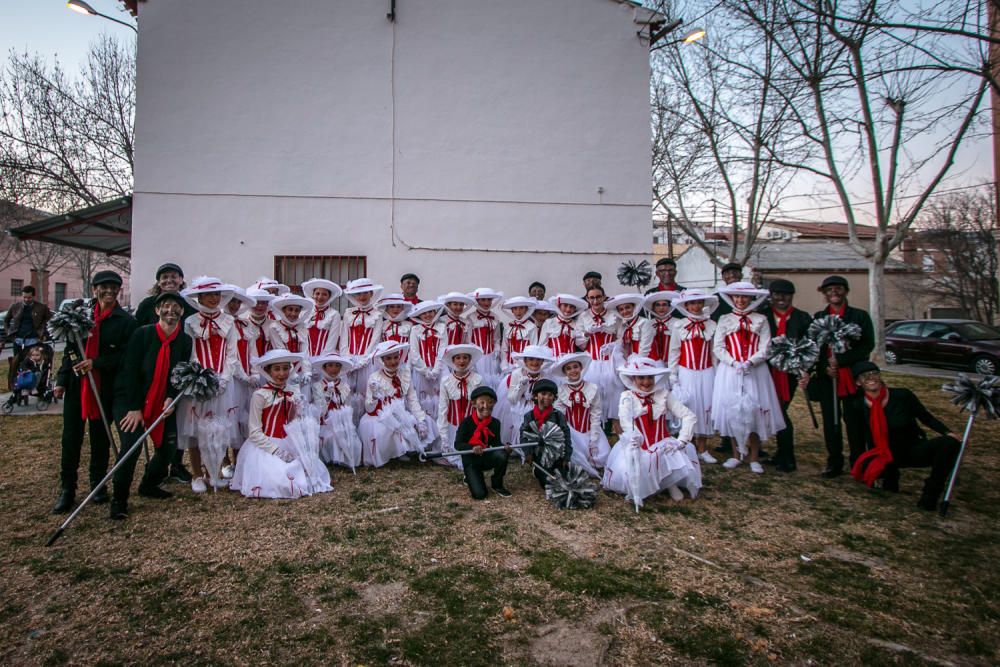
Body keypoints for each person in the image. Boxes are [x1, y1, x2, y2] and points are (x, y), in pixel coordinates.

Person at [52, 271, 137, 513]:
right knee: (71, 439)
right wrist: (61, 379)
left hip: (104, 388)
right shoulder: (80, 317)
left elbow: (124, 356)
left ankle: (97, 484)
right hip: (78, 388)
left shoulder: (125, 322)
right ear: (94, 289)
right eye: (104, 287)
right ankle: (68, 488)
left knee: (100, 438)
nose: (109, 292)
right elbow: (69, 351)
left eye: (114, 288)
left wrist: (96, 363)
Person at [108, 292, 193, 519]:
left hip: (162, 400)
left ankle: (149, 483)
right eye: (165, 306)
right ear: (157, 310)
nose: (171, 311)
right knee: (131, 446)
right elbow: (129, 371)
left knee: (169, 447)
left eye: (176, 307)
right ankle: (119, 499)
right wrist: (135, 407)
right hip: (130, 400)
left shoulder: (185, 341)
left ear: (182, 312)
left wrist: (170, 397)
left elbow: (180, 374)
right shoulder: (142, 334)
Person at [847, 361, 961, 511]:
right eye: (864, 376)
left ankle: (931, 494)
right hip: (882, 454)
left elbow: (925, 417)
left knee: (949, 444)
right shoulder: (856, 406)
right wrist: (860, 466)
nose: (871, 378)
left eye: (874, 373)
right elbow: (856, 439)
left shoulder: (902, 395)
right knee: (881, 477)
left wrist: (947, 432)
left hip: (911, 448)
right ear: (858, 382)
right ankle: (889, 476)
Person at [230, 349, 333, 498]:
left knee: (311, 474)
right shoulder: (260, 395)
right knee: (282, 482)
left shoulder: (292, 393)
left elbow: (292, 424)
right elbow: (254, 432)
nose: (282, 373)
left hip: (288, 441)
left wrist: (298, 411)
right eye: (277, 369)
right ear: (268, 371)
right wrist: (277, 451)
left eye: (285, 368)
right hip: (265, 446)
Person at [602, 356, 701, 506]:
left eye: (650, 377)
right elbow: (625, 420)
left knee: (667, 454)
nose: (646, 382)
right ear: (633, 378)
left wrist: (682, 440)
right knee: (635, 465)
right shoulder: (627, 397)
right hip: (639, 444)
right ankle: (647, 486)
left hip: (663, 443)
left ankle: (669, 483)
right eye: (641, 378)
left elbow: (689, 416)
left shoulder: (664, 395)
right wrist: (632, 437)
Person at [711, 282, 785, 474]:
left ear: (752, 299)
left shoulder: (760, 319)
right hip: (730, 370)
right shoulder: (725, 319)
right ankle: (736, 454)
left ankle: (754, 456)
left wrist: (751, 362)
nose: (740, 300)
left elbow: (766, 347)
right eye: (736, 297)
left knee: (753, 410)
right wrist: (734, 362)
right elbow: (718, 347)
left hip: (755, 371)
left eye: (744, 297)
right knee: (733, 410)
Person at [806, 275, 875, 478]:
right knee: (831, 422)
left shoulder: (859, 316)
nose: (834, 293)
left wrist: (842, 361)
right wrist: (824, 366)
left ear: (845, 291)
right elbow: (813, 347)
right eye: (829, 290)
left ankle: (858, 461)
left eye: (838, 289)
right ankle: (834, 461)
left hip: (852, 377)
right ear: (824, 294)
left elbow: (867, 345)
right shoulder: (819, 316)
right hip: (829, 378)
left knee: (855, 423)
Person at [177, 277, 240, 493]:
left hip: (223, 383)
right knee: (195, 429)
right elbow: (190, 352)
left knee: (220, 428)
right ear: (200, 297)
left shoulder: (228, 322)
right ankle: (197, 474)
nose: (214, 299)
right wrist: (200, 377)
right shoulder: (190, 322)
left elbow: (232, 353)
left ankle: (215, 471)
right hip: (198, 383)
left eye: (217, 295)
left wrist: (224, 378)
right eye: (209, 295)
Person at [761, 279, 813, 472]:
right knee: (770, 411)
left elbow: (810, 346)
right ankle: (778, 453)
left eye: (786, 294)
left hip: (788, 373)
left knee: (780, 411)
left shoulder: (802, 318)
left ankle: (787, 457)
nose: (781, 298)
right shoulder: (764, 316)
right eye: (777, 294)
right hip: (765, 370)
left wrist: (805, 368)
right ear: (771, 296)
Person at [359, 341, 434, 466]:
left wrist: (420, 420)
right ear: (382, 360)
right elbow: (369, 408)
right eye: (388, 358)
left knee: (423, 421)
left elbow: (412, 399)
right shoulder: (374, 377)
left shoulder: (404, 373)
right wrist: (375, 396)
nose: (393, 362)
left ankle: (404, 451)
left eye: (396, 357)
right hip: (380, 416)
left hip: (400, 413)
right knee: (383, 431)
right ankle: (393, 453)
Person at [667, 290, 719, 464]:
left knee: (704, 407)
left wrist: (717, 373)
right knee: (688, 407)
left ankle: (703, 448)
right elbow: (674, 351)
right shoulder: (679, 326)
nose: (696, 307)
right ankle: (688, 446)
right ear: (686, 306)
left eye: (699, 303)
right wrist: (673, 375)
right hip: (686, 372)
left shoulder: (711, 325)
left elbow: (713, 352)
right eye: (692, 303)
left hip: (706, 372)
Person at [552, 352, 610, 477]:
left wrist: (594, 435)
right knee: (574, 457)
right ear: (564, 372)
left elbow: (596, 413)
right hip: (571, 432)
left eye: (575, 367)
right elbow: (560, 414)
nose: (573, 370)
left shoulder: (592, 388)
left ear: (581, 368)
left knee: (602, 455)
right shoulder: (561, 390)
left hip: (589, 429)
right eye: (568, 368)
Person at [455, 386, 511, 499]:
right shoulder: (466, 423)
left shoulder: (495, 423)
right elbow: (458, 445)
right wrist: (472, 447)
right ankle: (470, 476)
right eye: (482, 402)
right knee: (480, 495)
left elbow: (495, 444)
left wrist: (504, 447)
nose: (486, 406)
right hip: (471, 460)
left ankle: (497, 484)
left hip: (485, 456)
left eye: (490, 402)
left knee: (502, 454)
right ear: (474, 404)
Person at [340, 278, 385, 418]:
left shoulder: (378, 315)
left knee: (367, 393)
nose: (362, 297)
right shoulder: (348, 313)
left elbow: (375, 339)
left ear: (371, 294)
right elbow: (344, 338)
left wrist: (365, 359)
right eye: (358, 294)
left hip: (369, 362)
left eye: (365, 293)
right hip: (349, 360)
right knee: (348, 395)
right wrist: (346, 359)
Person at [435, 344, 485, 468]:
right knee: (455, 454)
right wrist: (444, 436)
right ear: (453, 360)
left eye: (465, 357)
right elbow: (443, 409)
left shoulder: (478, 379)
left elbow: (483, 408)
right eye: (458, 358)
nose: (461, 361)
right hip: (453, 426)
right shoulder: (446, 381)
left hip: (472, 427)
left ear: (470, 360)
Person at [496, 344, 555, 446]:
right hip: (519, 405)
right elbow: (512, 399)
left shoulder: (545, 376)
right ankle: (517, 445)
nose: (534, 362)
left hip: (537, 407)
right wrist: (521, 387)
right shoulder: (516, 374)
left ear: (542, 361)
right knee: (518, 422)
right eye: (531, 359)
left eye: (538, 359)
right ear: (525, 361)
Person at [574, 286, 618, 421]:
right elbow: (579, 343)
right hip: (592, 361)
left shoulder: (614, 314)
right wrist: (587, 333)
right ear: (587, 299)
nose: (595, 300)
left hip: (611, 360)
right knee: (594, 392)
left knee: (613, 391)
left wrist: (613, 345)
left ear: (604, 297)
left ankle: (613, 425)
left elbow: (621, 336)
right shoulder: (583, 316)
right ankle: (597, 424)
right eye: (592, 298)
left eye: (598, 297)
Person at [312, 352, 362, 470]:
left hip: (342, 422)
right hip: (326, 422)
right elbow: (320, 412)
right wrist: (327, 396)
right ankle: (332, 458)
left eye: (337, 365)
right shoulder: (317, 386)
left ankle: (346, 458)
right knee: (332, 436)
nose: (334, 369)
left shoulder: (345, 386)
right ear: (324, 367)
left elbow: (348, 408)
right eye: (330, 365)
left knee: (351, 440)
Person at [520, 378, 572, 490]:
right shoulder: (529, 416)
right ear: (535, 396)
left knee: (564, 478)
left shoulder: (558, 416)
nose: (547, 398)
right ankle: (537, 470)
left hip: (556, 453)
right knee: (548, 484)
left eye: (550, 395)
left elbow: (566, 436)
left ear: (554, 398)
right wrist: (528, 453)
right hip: (538, 454)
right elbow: (524, 435)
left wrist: (566, 457)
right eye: (543, 394)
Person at [408, 300, 447, 419]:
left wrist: (436, 370)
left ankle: (440, 427)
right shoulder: (415, 330)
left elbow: (443, 349)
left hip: (439, 369)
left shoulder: (442, 327)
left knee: (441, 398)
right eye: (424, 313)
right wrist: (425, 371)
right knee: (422, 399)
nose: (428, 315)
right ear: (419, 315)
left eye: (430, 312)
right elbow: (414, 352)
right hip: (421, 371)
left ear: (435, 312)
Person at [467, 288, 504, 388]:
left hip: (492, 356)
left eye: (489, 300)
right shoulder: (471, 317)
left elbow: (497, 338)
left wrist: (497, 349)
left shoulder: (495, 317)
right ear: (477, 301)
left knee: (493, 383)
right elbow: (468, 339)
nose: (486, 302)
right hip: (477, 357)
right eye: (483, 300)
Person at [4, 284, 52, 361]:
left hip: (34, 340)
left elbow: (51, 321)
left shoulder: (42, 307)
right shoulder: (15, 306)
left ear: (33, 296)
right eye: (24, 297)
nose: (26, 299)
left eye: (29, 297)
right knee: (17, 363)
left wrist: (45, 334)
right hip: (18, 340)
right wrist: (9, 332)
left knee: (31, 363)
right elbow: (6, 321)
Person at [302, 278, 343, 356]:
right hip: (305, 357)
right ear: (313, 295)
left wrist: (323, 359)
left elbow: (332, 339)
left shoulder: (334, 314)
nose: (320, 297)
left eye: (324, 294)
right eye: (317, 293)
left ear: (329, 297)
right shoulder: (305, 312)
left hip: (324, 359)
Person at [499, 296, 537, 374]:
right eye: (515, 309)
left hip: (525, 366)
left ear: (526, 309)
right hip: (509, 365)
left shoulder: (531, 327)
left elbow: (533, 348)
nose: (518, 311)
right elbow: (504, 348)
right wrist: (504, 364)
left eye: (521, 308)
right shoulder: (508, 327)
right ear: (512, 310)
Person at [643, 290, 679, 363]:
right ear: (653, 308)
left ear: (669, 307)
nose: (661, 308)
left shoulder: (677, 323)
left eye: (664, 304)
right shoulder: (648, 323)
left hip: (672, 361)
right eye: (658, 305)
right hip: (653, 362)